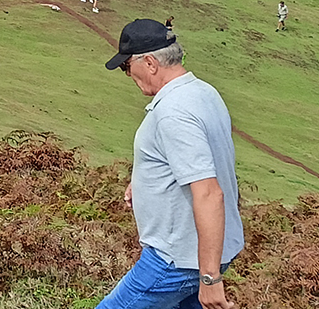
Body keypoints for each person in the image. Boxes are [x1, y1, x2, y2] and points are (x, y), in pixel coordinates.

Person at [100, 19, 243, 309]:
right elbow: (201, 158)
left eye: (127, 66)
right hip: (202, 253)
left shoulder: (173, 112)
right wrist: (144, 179)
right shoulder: (204, 93)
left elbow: (208, 192)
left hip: (176, 259)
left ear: (150, 63)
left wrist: (210, 279)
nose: (127, 74)